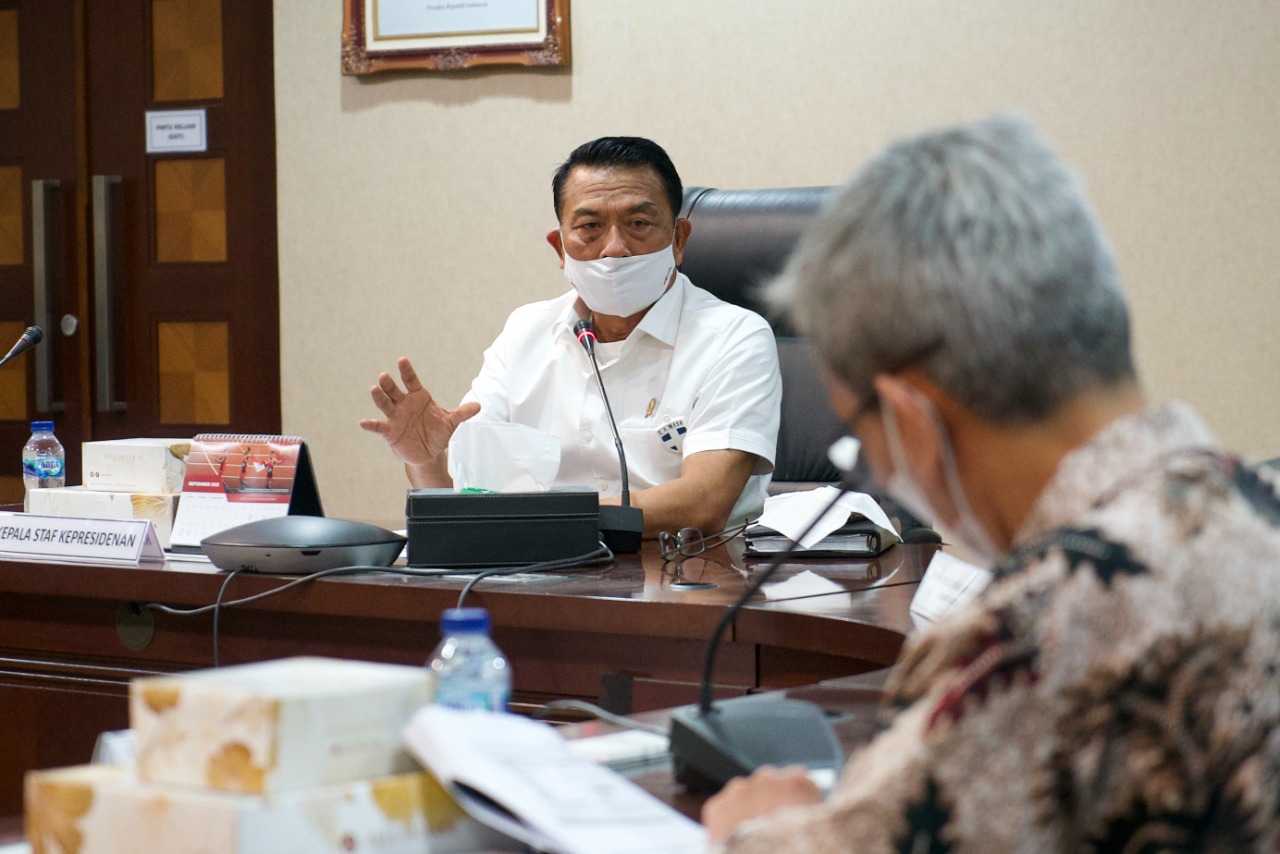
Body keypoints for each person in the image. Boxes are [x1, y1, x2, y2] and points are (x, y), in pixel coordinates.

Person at [703, 115, 1280, 851]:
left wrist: (753, 831)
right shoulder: (1259, 503)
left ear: (911, 423)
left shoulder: (1035, 635)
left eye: (860, 435)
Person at [361, 137, 781, 536]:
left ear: (678, 240)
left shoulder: (734, 337)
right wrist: (427, 462)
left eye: (638, 223)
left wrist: (539, 519)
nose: (614, 248)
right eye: (590, 226)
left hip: (686, 572)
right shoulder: (525, 331)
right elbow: (467, 499)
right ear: (560, 248)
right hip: (540, 567)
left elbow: (704, 504)